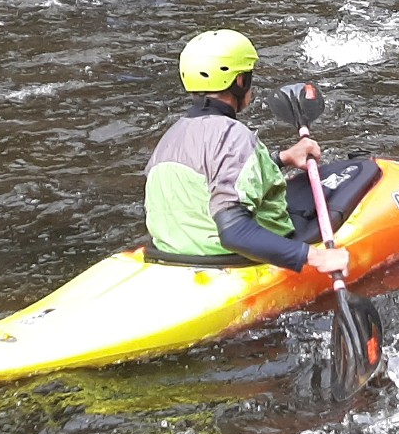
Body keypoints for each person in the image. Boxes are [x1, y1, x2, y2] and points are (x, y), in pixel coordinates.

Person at [143, 29, 350, 276]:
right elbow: (234, 231)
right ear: (240, 81)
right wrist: (315, 256)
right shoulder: (233, 134)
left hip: (172, 252)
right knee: (354, 181)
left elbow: (209, 180)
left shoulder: (172, 136)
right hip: (229, 256)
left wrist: (282, 158)